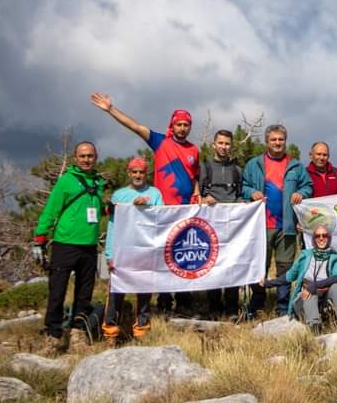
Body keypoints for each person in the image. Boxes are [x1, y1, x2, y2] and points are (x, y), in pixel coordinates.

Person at [91, 93, 199, 315]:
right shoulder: (160, 141)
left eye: (186, 125)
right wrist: (111, 109)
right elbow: (135, 126)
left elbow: (194, 175)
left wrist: (196, 194)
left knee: (183, 255)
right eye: (179, 124)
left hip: (183, 212)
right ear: (172, 125)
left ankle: (184, 300)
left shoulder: (194, 150)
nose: (182, 128)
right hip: (159, 212)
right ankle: (163, 301)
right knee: (162, 256)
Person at [32, 142, 107, 354]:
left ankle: (78, 335)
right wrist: (40, 238)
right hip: (64, 245)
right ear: (75, 158)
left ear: (96, 157)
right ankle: (53, 337)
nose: (86, 160)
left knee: (84, 295)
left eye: (90, 156)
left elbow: (98, 209)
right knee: (57, 292)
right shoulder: (66, 181)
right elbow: (50, 210)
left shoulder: (98, 182)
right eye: (82, 156)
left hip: (89, 247)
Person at [242, 124, 314, 318]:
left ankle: (282, 307)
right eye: (273, 139)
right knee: (259, 266)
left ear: (285, 141)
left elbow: (308, 186)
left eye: (281, 139)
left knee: (285, 267)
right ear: (267, 142)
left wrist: (301, 193)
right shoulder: (254, 164)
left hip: (287, 226)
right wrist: (252, 192)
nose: (277, 143)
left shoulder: (295, 165)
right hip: (260, 226)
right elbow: (244, 187)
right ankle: (256, 305)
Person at [102, 157, 162, 345]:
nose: (138, 175)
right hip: (122, 251)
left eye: (141, 172)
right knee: (115, 293)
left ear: (147, 174)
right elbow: (113, 225)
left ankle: (142, 332)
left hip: (145, 250)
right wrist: (110, 254)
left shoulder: (155, 193)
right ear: (129, 173)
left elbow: (161, 220)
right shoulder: (119, 195)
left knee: (144, 292)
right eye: (134, 171)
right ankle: (111, 332)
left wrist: (147, 207)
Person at [263, 224, 337, 334]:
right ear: (313, 239)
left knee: (336, 287)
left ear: (329, 238)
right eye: (318, 236)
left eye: (324, 235)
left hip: (324, 299)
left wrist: (313, 286)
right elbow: (289, 276)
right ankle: (315, 327)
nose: (321, 238)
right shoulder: (305, 256)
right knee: (310, 293)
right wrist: (267, 283)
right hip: (304, 300)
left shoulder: (335, 257)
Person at [199, 129, 243, 319]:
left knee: (232, 265)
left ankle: (232, 308)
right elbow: (198, 195)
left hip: (232, 227)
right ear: (214, 144)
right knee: (213, 264)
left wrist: (245, 204)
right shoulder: (205, 167)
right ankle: (215, 307)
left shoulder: (236, 169)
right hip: (210, 227)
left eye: (227, 144)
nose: (224, 147)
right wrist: (204, 198)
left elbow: (240, 195)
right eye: (221, 143)